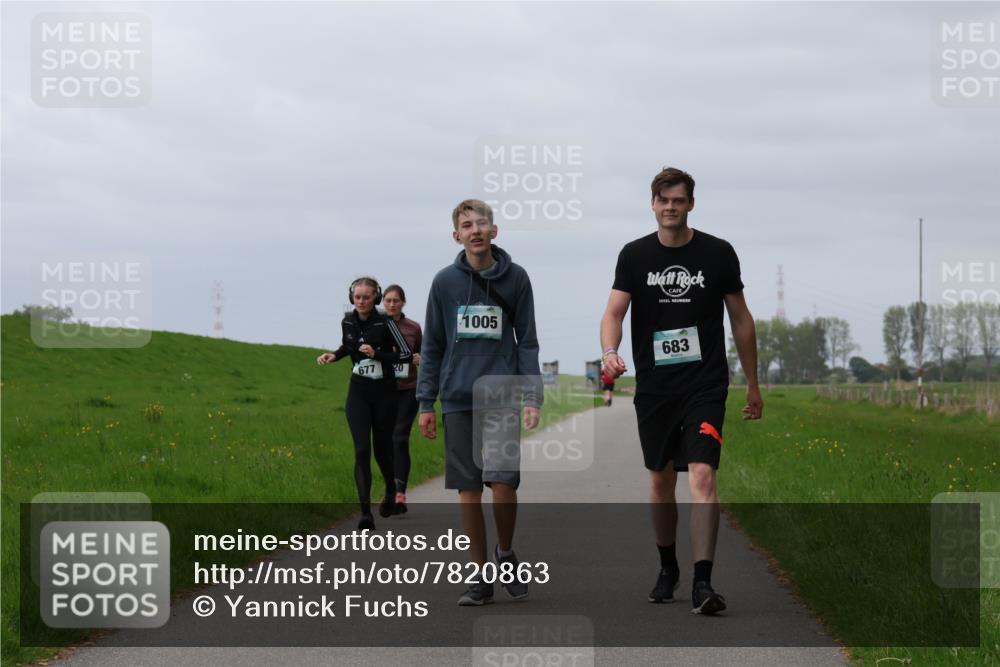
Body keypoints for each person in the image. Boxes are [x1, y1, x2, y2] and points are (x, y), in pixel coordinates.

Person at [599, 167, 762, 615]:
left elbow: (741, 320)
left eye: (679, 200)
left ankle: (703, 583)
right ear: (652, 205)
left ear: (691, 204)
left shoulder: (718, 253)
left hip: (705, 383)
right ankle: (668, 567)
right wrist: (610, 350)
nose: (670, 207)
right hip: (655, 388)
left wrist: (752, 383)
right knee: (661, 480)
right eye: (663, 199)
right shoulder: (633, 255)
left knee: (704, 476)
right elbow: (613, 312)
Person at [417, 198, 543, 606]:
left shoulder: (517, 279)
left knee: (503, 481)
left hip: (502, 394)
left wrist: (532, 396)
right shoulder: (444, 283)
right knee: (469, 489)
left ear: (494, 231)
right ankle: (479, 576)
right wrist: (425, 402)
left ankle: (504, 554)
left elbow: (528, 341)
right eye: (466, 225)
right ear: (456, 235)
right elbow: (432, 346)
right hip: (457, 397)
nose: (475, 230)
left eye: (481, 224)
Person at [317, 277, 412, 531]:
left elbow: (404, 354)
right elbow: (349, 347)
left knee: (382, 450)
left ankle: (391, 489)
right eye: (357, 297)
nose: (361, 301)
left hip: (385, 393)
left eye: (366, 297)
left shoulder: (386, 322)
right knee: (361, 450)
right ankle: (364, 514)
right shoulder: (347, 320)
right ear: (352, 298)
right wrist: (334, 356)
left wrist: (377, 354)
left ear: (375, 298)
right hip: (358, 392)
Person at [381, 284, 422, 515]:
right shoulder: (376, 326)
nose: (392, 304)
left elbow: (424, 353)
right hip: (384, 390)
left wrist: (419, 359)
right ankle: (390, 490)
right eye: (388, 300)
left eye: (396, 300)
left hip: (408, 388)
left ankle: (399, 494)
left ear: (403, 303)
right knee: (386, 441)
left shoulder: (413, 328)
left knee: (399, 437)